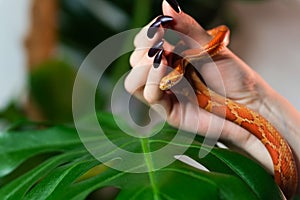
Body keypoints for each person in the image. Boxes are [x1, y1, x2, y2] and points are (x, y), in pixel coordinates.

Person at [125, 0, 300, 195]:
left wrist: (255, 100)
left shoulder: (187, 62)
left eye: (169, 82)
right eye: (168, 83)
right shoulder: (184, 69)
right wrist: (255, 101)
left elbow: (222, 33)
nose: (166, 84)